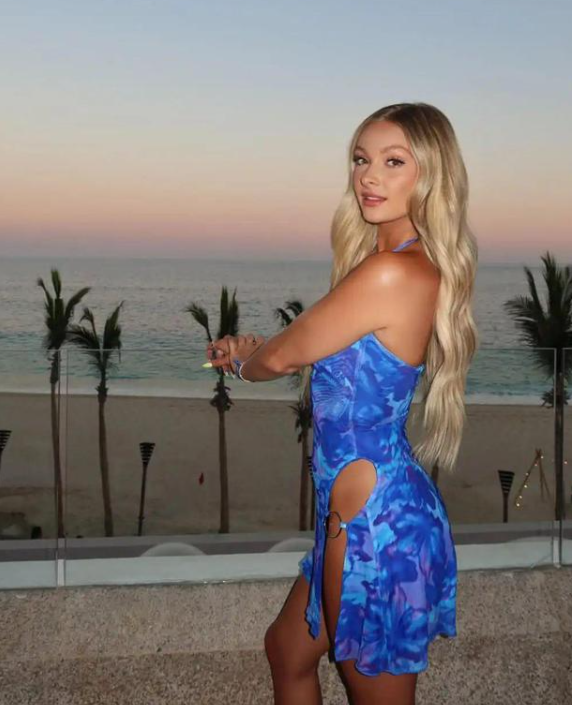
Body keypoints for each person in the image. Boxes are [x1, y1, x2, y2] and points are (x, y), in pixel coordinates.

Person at [206, 102, 478, 705]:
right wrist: (258, 349)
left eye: (393, 161)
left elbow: (283, 358)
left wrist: (244, 362)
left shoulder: (390, 274)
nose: (368, 176)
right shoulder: (393, 268)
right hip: (362, 503)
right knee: (287, 650)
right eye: (361, 159)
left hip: (374, 526)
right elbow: (309, 349)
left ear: (429, 174)